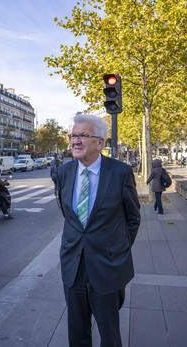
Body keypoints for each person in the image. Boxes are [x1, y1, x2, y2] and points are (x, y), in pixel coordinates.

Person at [55, 114, 141, 347]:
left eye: (83, 135)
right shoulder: (63, 173)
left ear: (100, 143)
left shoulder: (120, 172)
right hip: (73, 267)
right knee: (77, 333)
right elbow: (69, 215)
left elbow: (133, 219)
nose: (75, 141)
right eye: (73, 135)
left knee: (110, 335)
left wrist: (118, 250)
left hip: (108, 268)